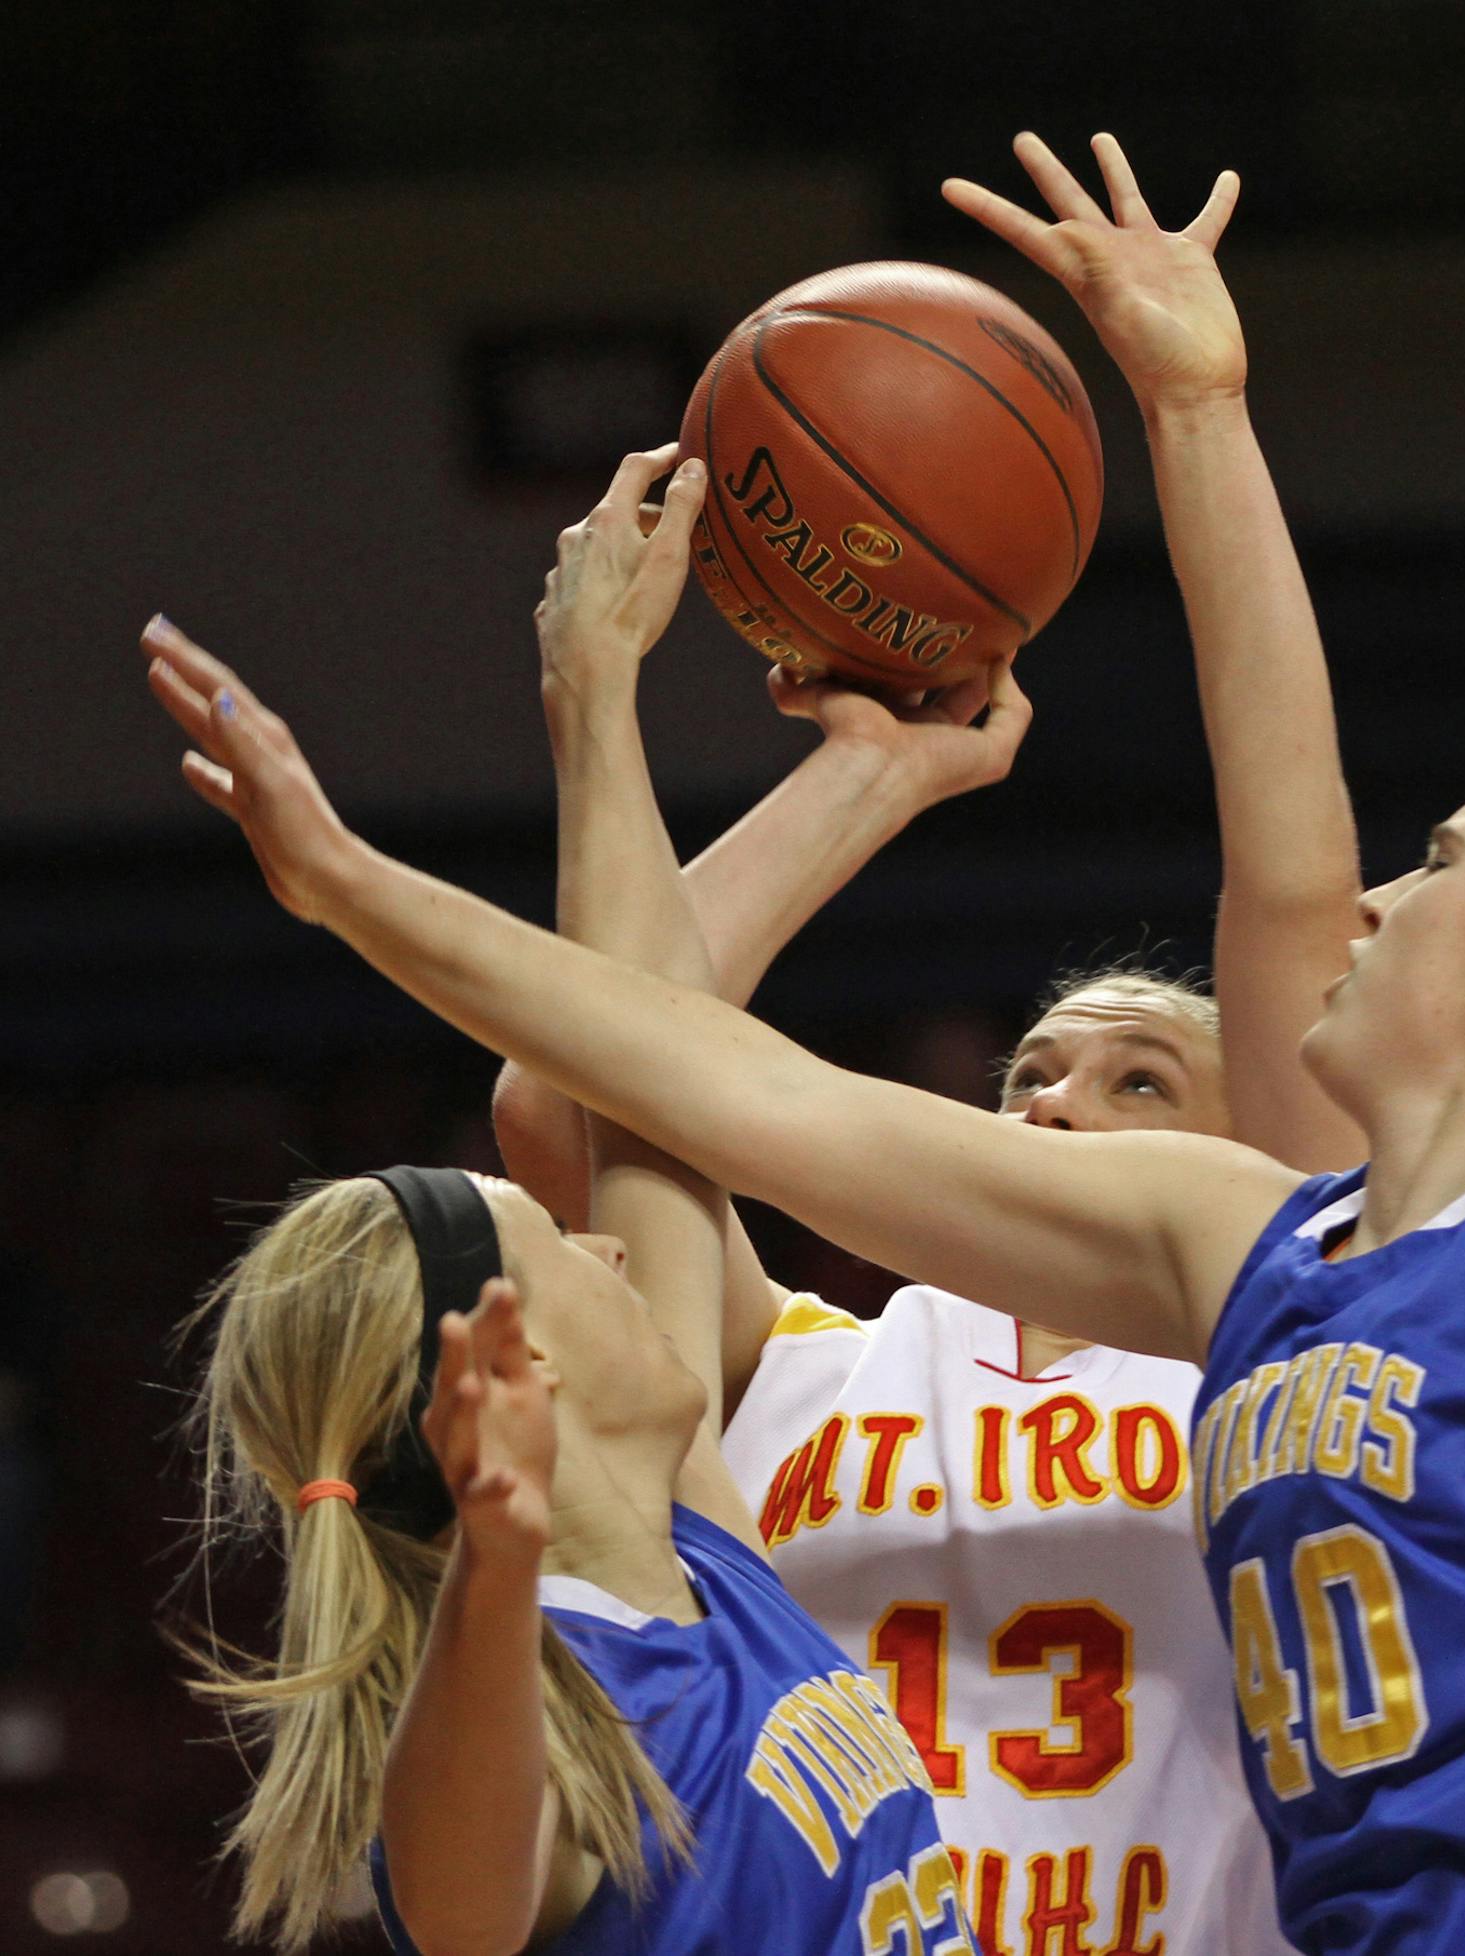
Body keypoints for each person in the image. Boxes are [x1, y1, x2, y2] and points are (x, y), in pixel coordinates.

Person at [139, 157, 1465, 1956]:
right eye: (1043, 1075)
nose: (1382, 902)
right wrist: (369, 881)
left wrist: (1207, 424)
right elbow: (684, 1081)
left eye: (1146, 1072)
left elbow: (1290, 866)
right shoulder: (1206, 1274)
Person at [170, 453, 974, 1956]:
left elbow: (647, 1068)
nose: (607, 1237)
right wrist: (496, 1547)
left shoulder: (705, 1559)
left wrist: (595, 694)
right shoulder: (530, 1717)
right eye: (563, 1247)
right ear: (517, 1371)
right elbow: (465, 1892)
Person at [488, 448, 1293, 1950]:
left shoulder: (1280, 1355)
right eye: (1033, 1076)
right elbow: (573, 1096)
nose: (1055, 1103)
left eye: (1142, 1084)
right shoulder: (816, 1359)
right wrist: (871, 773)